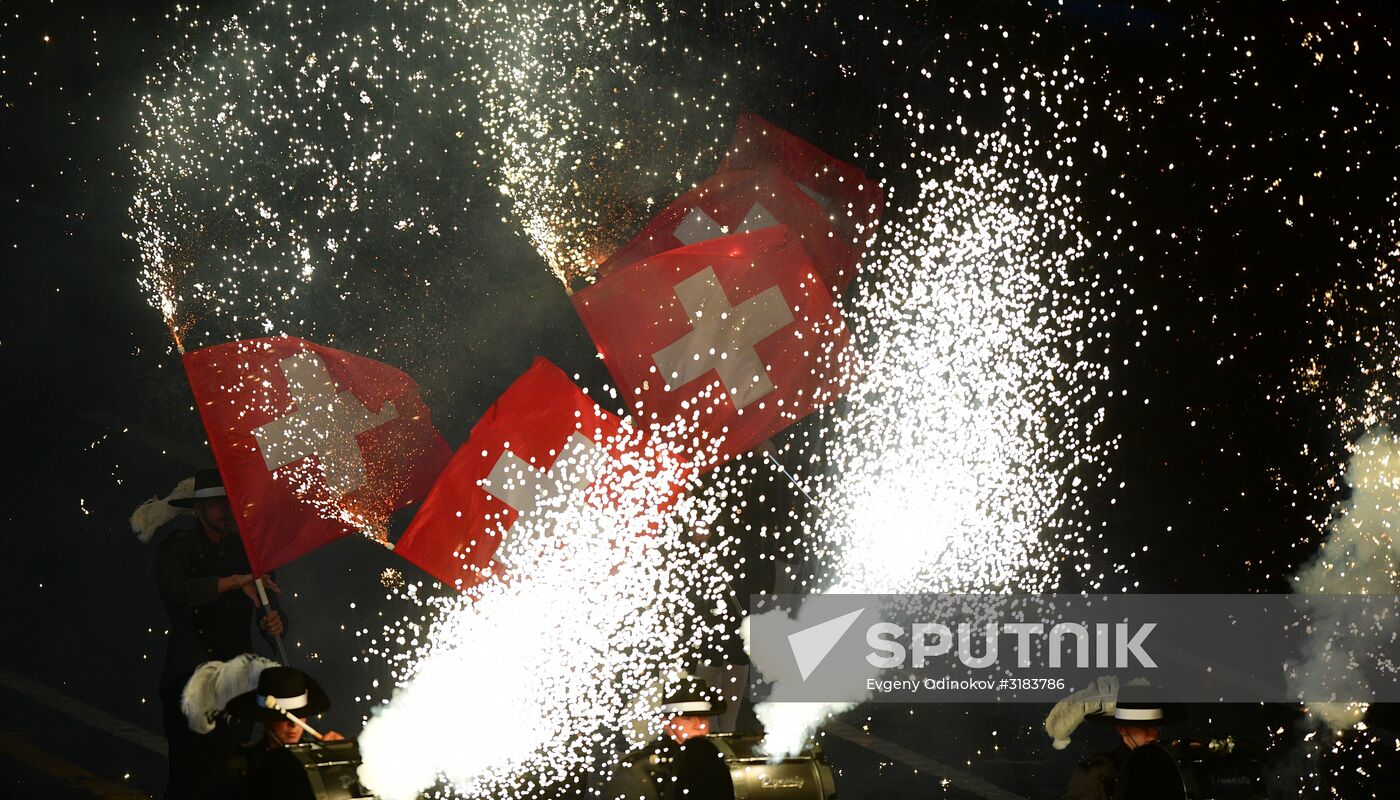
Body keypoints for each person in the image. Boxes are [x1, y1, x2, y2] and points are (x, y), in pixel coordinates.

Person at [156, 468, 288, 800]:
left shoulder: (248, 550)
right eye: (216, 504)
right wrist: (233, 582)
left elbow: (267, 604)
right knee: (189, 776)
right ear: (197, 509)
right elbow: (176, 592)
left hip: (236, 681)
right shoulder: (178, 547)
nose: (225, 511)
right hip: (188, 676)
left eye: (229, 503)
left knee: (231, 777)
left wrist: (274, 623)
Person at [218, 667, 345, 799]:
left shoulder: (322, 760)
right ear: (266, 718)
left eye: (300, 715)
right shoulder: (239, 767)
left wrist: (345, 760)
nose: (293, 724)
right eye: (284, 717)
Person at [603, 676, 728, 799]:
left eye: (703, 718)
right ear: (666, 724)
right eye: (687, 718)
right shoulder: (639, 771)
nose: (698, 725)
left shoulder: (721, 761)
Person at [1062, 689, 1186, 800]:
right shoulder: (1097, 774)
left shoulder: (1168, 767)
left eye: (1156, 726)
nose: (1154, 733)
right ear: (1122, 729)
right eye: (1144, 726)